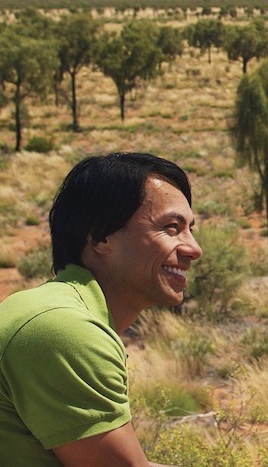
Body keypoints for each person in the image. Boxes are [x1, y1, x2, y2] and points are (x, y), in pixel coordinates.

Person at [0, 152, 202, 466]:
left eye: (190, 229)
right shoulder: (64, 330)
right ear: (100, 237)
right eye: (172, 228)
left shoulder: (49, 309)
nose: (194, 248)